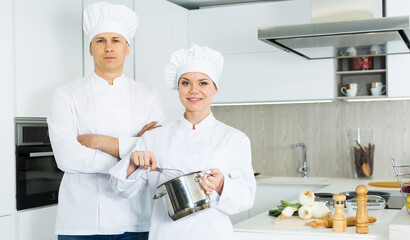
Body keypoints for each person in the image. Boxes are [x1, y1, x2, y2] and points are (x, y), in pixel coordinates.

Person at [109, 44, 256, 240]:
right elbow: (121, 189)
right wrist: (133, 163)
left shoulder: (234, 139)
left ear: (215, 88)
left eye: (203, 83)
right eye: (185, 83)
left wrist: (221, 185)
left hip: (213, 234)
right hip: (166, 234)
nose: (194, 90)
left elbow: (246, 198)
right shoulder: (154, 137)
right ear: (178, 88)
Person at [47, 2, 165, 240]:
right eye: (100, 40)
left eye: (116, 40)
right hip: (82, 220)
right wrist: (133, 156)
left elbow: (157, 152)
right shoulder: (66, 94)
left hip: (136, 219)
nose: (108, 47)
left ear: (127, 48)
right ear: (90, 49)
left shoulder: (149, 95)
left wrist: (101, 141)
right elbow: (67, 157)